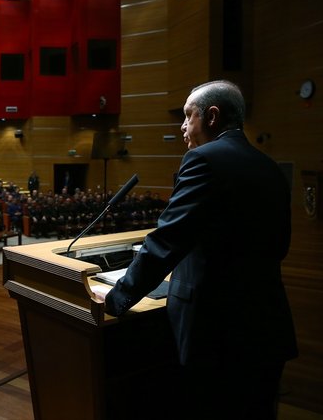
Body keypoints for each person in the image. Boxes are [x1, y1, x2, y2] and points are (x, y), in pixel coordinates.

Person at [97, 81, 297, 420]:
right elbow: (280, 245)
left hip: (218, 332)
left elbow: (166, 241)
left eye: (189, 116)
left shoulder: (203, 159)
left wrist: (118, 298)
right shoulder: (270, 166)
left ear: (212, 116)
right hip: (267, 324)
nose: (182, 126)